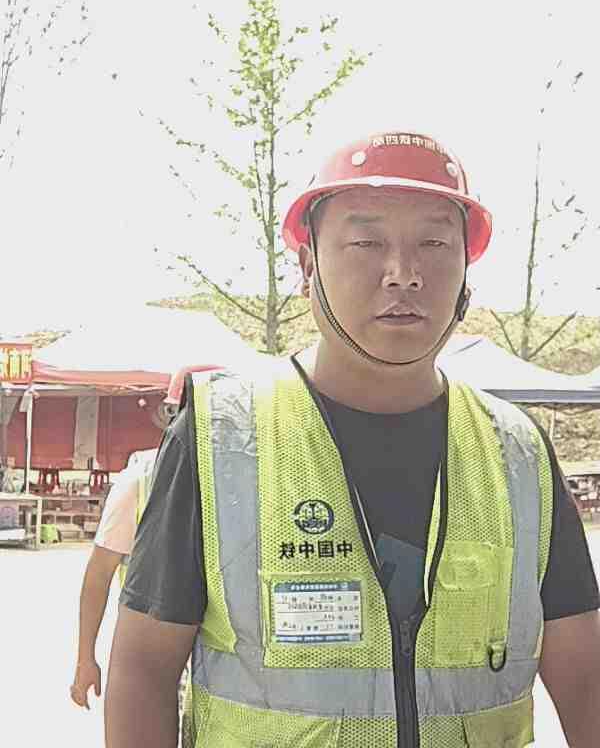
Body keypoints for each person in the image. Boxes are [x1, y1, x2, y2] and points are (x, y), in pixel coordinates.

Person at [105, 130, 600, 748]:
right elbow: (144, 669)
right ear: (308, 268)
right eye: (366, 242)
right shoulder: (222, 438)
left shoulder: (518, 453)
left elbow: (585, 676)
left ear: (466, 274)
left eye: (434, 243)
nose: (404, 274)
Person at [69, 400, 174, 710]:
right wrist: (85, 658)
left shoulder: (234, 477)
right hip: (149, 642)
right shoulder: (140, 479)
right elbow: (99, 573)